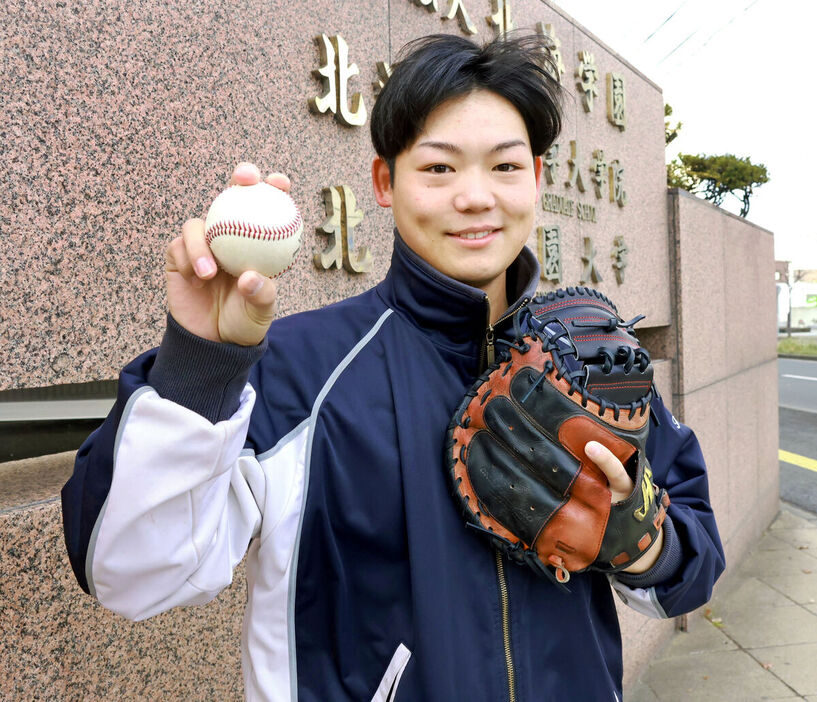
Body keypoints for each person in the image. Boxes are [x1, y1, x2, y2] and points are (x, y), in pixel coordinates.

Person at [62, 32, 724, 701]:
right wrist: (201, 363)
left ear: (538, 177)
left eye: (504, 167)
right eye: (438, 169)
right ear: (385, 181)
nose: (475, 197)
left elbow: (690, 567)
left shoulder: (596, 356)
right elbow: (131, 573)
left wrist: (637, 539)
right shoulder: (297, 372)